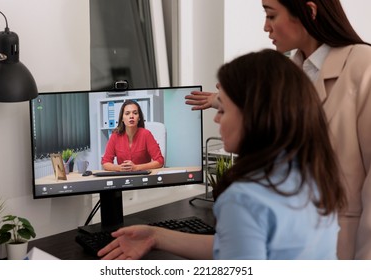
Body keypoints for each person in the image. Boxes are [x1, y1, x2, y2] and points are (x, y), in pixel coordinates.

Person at [98, 49, 346, 260]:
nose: (216, 118)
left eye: (223, 109)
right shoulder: (312, 172)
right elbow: (238, 246)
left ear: (255, 116)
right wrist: (156, 235)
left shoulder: (245, 197)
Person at [185, 0, 371, 260]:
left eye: (271, 15)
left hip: (349, 245)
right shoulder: (290, 72)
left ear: (309, 11)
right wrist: (225, 101)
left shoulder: (364, 67)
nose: (265, 27)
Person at [101, 100, 164, 171]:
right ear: (122, 118)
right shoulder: (115, 136)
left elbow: (160, 161)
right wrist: (119, 168)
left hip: (143, 177)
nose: (131, 116)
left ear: (139, 118)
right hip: (123, 178)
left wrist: (136, 167)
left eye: (135, 113)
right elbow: (105, 162)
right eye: (127, 113)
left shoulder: (146, 134)